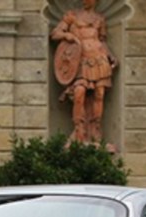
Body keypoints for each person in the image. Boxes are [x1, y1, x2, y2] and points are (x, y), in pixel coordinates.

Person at [51, 0, 117, 144]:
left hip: (99, 58)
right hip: (80, 59)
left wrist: (110, 55)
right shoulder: (72, 16)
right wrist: (67, 35)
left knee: (99, 94)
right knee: (79, 92)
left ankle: (95, 130)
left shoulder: (100, 19)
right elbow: (55, 33)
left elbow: (102, 41)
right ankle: (78, 129)